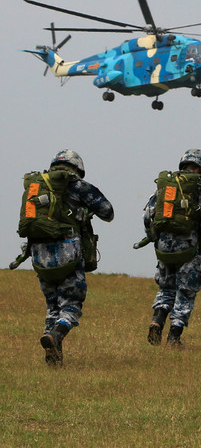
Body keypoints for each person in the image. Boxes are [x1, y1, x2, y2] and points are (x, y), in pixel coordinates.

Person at [19, 149, 114, 366]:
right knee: (71, 304)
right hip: (67, 252)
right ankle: (57, 335)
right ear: (77, 169)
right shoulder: (78, 185)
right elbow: (108, 212)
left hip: (39, 254)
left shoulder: (37, 184)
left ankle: (53, 355)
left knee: (52, 306)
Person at [143, 149, 201, 347]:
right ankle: (174, 337)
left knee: (166, 287)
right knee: (186, 290)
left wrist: (154, 238)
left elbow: (148, 213)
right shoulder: (200, 184)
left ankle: (157, 321)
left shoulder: (167, 183)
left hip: (163, 246)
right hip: (188, 246)